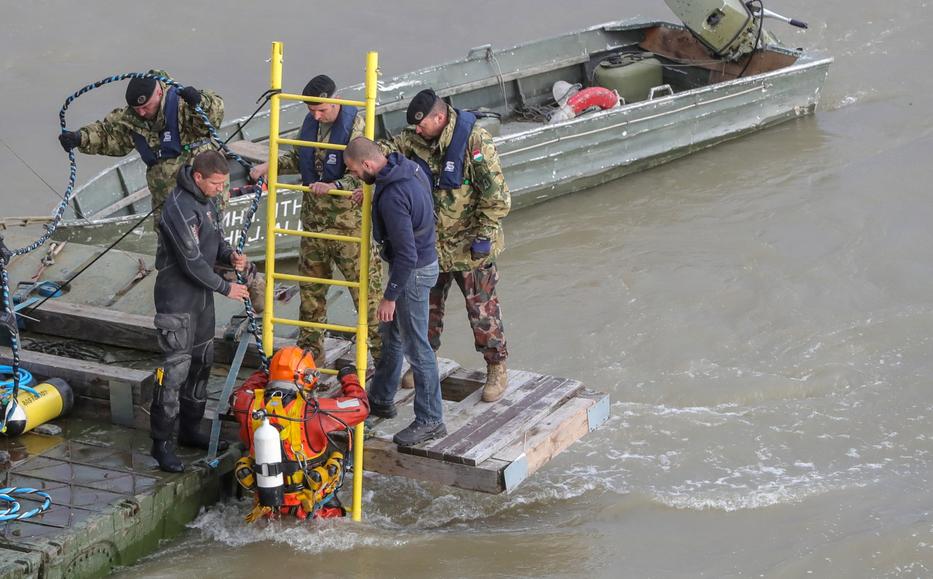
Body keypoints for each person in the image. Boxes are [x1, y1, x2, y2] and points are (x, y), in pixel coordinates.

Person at [384, 88, 511, 402]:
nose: (417, 129)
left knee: (482, 311)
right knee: (425, 309)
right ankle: (425, 363)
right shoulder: (413, 141)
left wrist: (483, 237)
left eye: (422, 124)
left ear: (439, 118)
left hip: (471, 247)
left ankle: (497, 366)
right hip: (430, 246)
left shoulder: (475, 142)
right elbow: (386, 150)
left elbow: (497, 197)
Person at [250, 74, 382, 365]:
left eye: (322, 110)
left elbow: (366, 174)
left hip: (349, 227)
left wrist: (335, 187)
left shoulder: (357, 127)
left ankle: (384, 357)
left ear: (336, 100)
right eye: (312, 111)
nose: (317, 115)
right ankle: (310, 354)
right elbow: (300, 159)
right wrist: (270, 165)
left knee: (367, 296)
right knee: (310, 294)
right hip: (314, 224)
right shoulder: (311, 124)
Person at [150, 150, 250, 472]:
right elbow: (190, 260)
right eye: (216, 184)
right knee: (174, 374)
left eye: (224, 184)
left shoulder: (206, 202)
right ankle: (161, 444)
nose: (221, 189)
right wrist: (226, 288)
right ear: (198, 178)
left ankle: (191, 429)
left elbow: (214, 242)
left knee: (202, 365)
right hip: (176, 301)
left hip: (201, 301)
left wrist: (230, 255)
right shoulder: (177, 207)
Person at [343, 137, 445, 446]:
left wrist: (389, 297)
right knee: (392, 335)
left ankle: (430, 419)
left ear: (367, 165)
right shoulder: (408, 167)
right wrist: (370, 196)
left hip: (411, 274)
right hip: (423, 263)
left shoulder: (392, 198)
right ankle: (382, 399)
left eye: (354, 172)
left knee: (417, 348)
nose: (354, 177)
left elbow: (406, 255)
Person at [57, 71, 223, 230]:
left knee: (206, 239)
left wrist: (200, 102)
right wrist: (80, 138)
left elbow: (214, 115)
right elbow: (110, 135)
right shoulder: (132, 119)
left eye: (145, 107)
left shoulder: (183, 104)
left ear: (159, 93)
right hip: (164, 199)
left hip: (200, 193)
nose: (141, 113)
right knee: (168, 245)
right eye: (137, 109)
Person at [231, 346, 370, 520]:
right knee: (335, 458)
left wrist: (263, 372)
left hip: (266, 505)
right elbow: (360, 406)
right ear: (308, 377)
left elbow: (243, 391)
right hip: (314, 509)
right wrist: (349, 377)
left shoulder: (246, 405)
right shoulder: (313, 411)